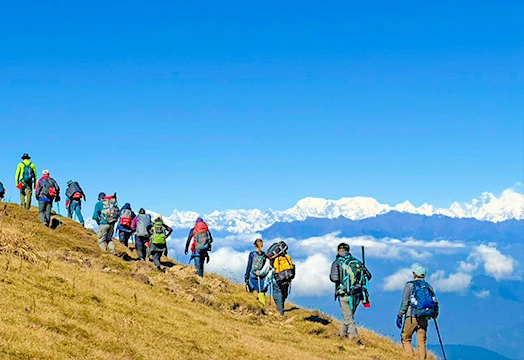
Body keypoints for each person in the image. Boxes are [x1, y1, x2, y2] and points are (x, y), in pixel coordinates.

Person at [330, 243, 372, 347]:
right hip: (357, 294)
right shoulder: (357, 262)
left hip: (344, 294)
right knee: (348, 316)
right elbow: (369, 276)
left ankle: (355, 339)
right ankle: (342, 334)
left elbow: (334, 278)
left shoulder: (337, 263)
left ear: (338, 251)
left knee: (349, 318)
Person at [397, 267, 439, 360]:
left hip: (412, 316)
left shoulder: (409, 285)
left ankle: (409, 357)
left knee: (406, 338)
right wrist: (434, 313)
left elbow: (405, 302)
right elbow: (434, 301)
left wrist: (400, 315)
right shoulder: (428, 286)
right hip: (424, 317)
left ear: (415, 274)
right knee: (421, 341)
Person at [245, 239, 270, 305]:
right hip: (262, 276)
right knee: (261, 292)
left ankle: (254, 306)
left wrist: (246, 276)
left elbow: (249, 266)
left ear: (254, 246)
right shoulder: (264, 255)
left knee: (253, 292)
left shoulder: (252, 254)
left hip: (253, 276)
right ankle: (263, 306)